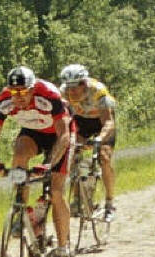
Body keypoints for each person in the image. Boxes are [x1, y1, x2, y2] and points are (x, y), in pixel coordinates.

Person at [0, 65, 74, 257]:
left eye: (24, 92)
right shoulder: (4, 101)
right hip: (33, 132)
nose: (19, 98)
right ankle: (20, 207)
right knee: (19, 156)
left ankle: (62, 252)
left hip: (59, 136)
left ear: (33, 89)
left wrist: (49, 163)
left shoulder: (49, 95)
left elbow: (63, 136)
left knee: (55, 191)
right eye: (15, 93)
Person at [59, 64, 117, 221]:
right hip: (81, 122)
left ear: (84, 84)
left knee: (104, 158)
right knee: (71, 156)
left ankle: (110, 203)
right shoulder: (63, 93)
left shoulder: (98, 91)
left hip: (101, 122)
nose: (72, 92)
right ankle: (78, 198)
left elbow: (108, 122)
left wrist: (99, 139)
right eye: (69, 88)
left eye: (75, 88)